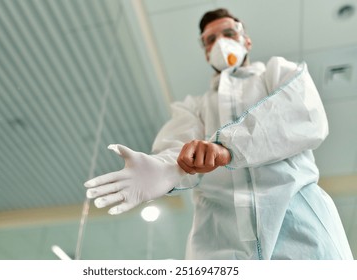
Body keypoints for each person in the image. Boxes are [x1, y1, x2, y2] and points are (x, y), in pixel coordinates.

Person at [84, 8, 353, 260]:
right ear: (206, 52)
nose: (220, 43)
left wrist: (226, 148)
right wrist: (162, 168)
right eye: (210, 39)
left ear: (246, 40)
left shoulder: (278, 73)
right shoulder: (194, 107)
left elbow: (303, 115)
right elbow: (176, 150)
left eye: (229, 34)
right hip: (219, 246)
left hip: (302, 234)